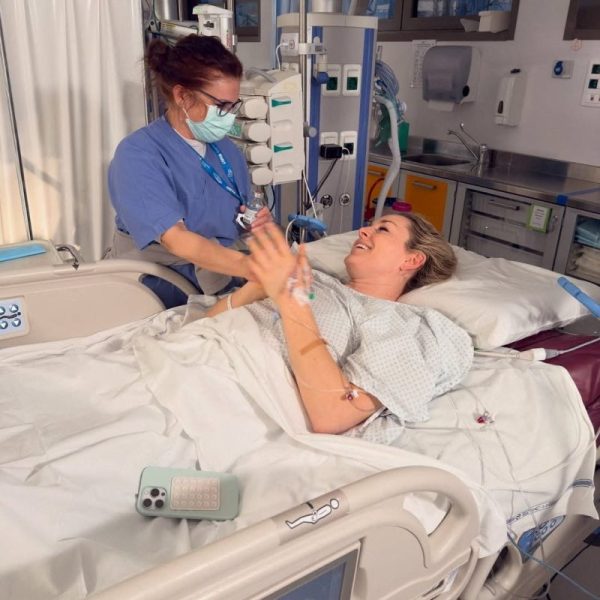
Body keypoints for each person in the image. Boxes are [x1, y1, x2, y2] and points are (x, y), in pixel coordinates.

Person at [205, 213, 473, 443]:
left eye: (383, 229)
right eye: (370, 225)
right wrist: (258, 284)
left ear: (412, 260)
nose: (363, 231)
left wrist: (291, 300)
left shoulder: (402, 326)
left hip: (222, 394)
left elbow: (333, 414)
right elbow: (208, 323)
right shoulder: (313, 278)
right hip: (196, 350)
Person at [106, 35, 271, 307]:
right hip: (156, 285)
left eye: (233, 105)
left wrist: (255, 223)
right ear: (182, 96)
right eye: (221, 106)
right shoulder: (138, 154)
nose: (230, 116)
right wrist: (253, 268)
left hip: (222, 275)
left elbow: (238, 216)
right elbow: (177, 241)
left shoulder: (227, 151)